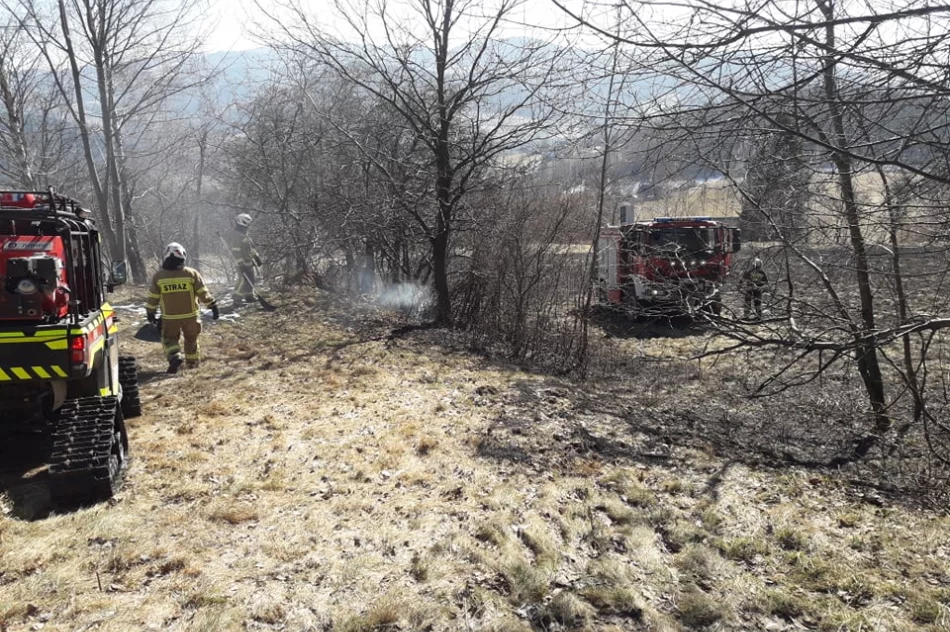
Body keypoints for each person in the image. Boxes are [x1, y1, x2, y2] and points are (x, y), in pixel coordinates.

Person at [146, 242, 219, 374]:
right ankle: (192, 366)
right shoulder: (192, 273)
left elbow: (153, 297)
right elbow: (203, 292)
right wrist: (212, 305)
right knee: (191, 339)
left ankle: (175, 356)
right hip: (191, 316)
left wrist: (150, 312)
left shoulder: (159, 276)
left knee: (169, 339)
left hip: (170, 317)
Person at [224, 213, 263, 306]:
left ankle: (249, 297)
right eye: (248, 224)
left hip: (248, 261)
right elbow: (235, 251)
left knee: (251, 279)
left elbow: (250, 249)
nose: (249, 226)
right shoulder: (236, 236)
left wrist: (256, 257)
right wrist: (240, 263)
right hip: (241, 263)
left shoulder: (245, 235)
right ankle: (237, 299)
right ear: (243, 222)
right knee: (243, 280)